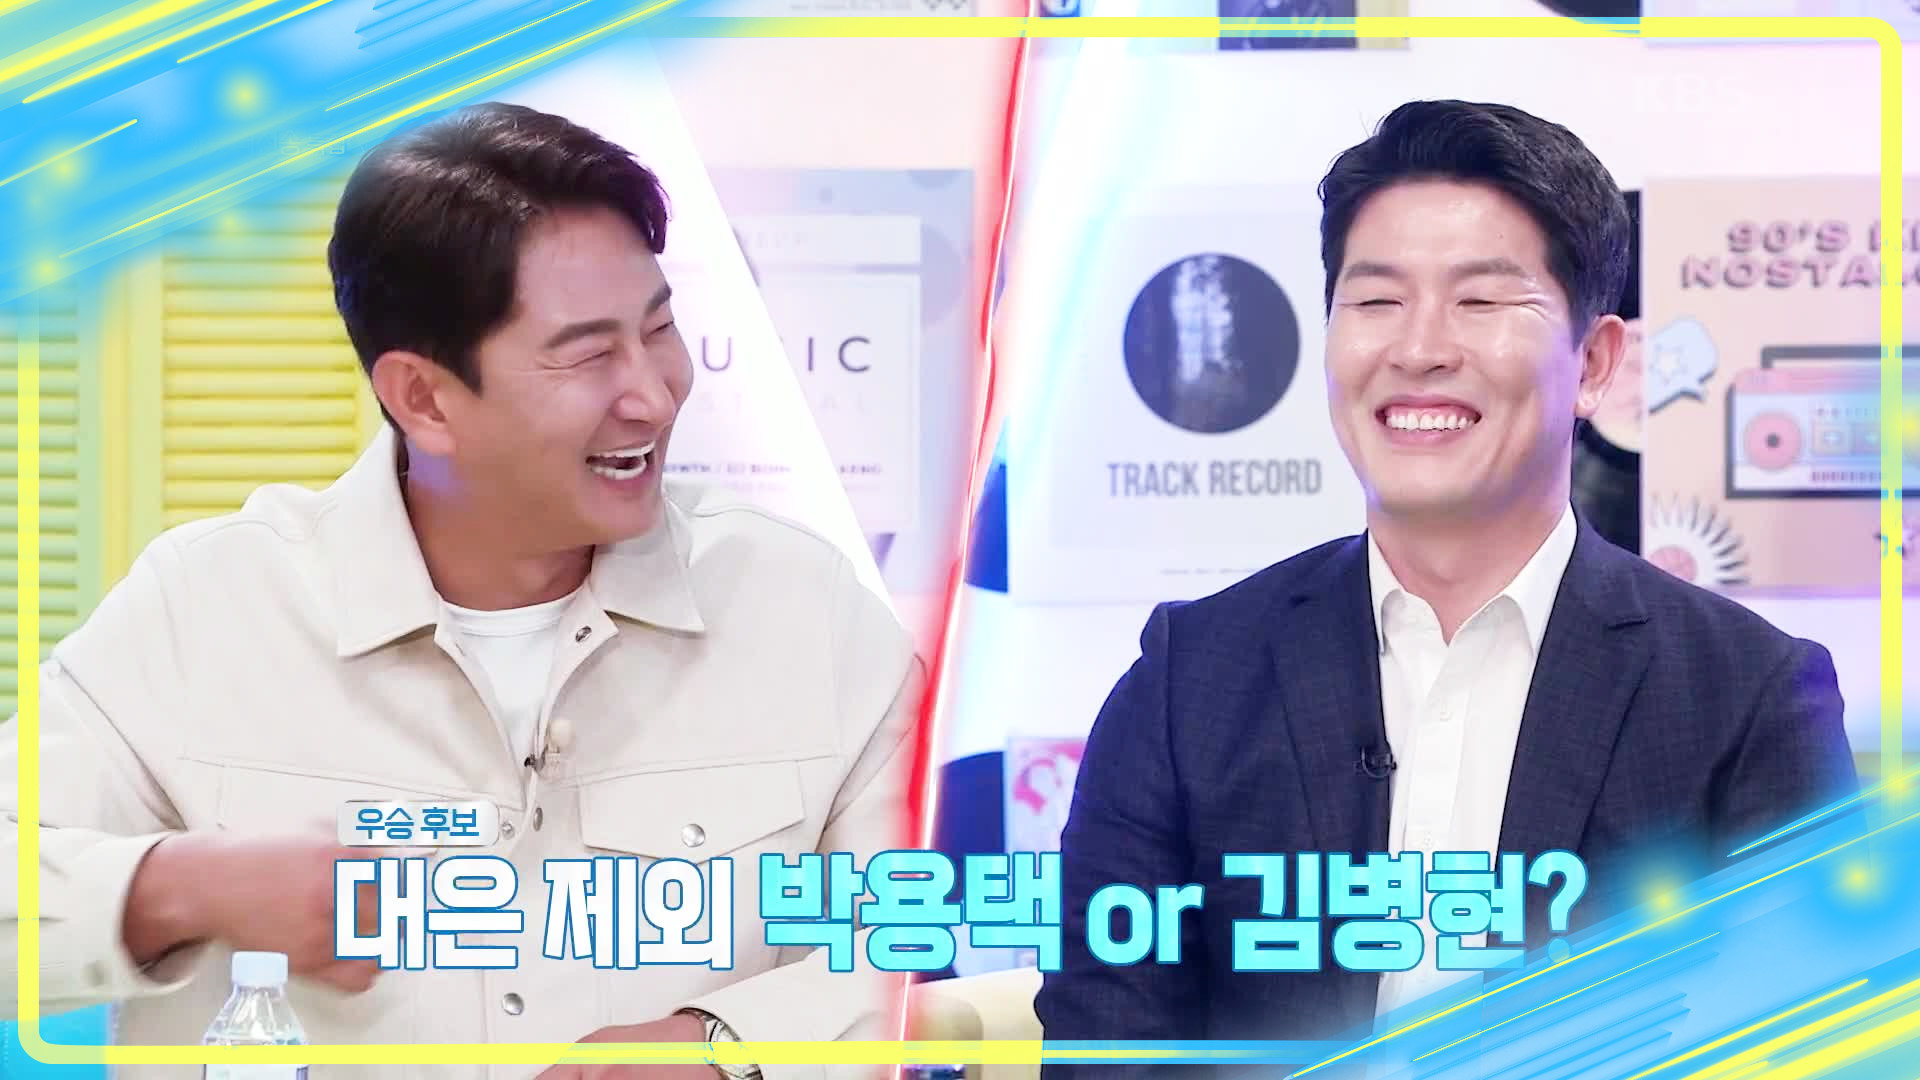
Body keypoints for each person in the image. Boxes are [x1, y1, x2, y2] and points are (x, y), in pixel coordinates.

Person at [0, 102, 920, 1079]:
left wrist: (724, 1046)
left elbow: (937, 931)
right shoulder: (208, 608)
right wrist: (180, 887)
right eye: (588, 354)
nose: (654, 393)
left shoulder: (801, 607)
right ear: (423, 397)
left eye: (659, 329)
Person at [1034, 100, 1857, 1071]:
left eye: (1481, 301)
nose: (1419, 348)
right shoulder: (1192, 677)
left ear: (1594, 363)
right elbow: (1111, 1040)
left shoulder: (1746, 696)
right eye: (1376, 301)